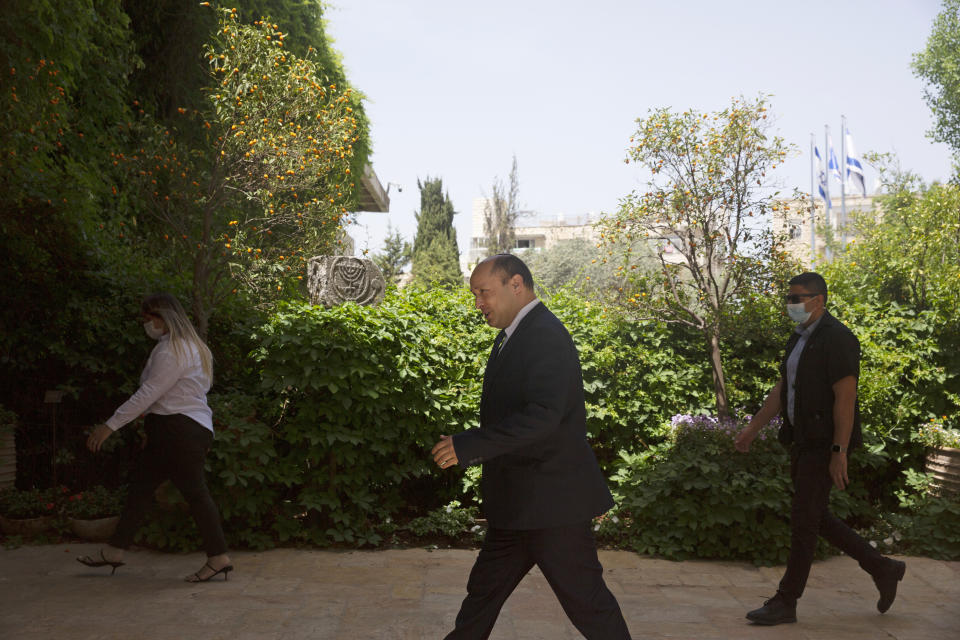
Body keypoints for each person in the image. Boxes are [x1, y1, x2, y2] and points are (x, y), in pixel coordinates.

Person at [431, 254, 631, 640]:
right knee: (481, 597)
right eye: (475, 295)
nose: (479, 304)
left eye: (484, 293)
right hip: (518, 507)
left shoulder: (544, 334)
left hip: (552, 506)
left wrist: (471, 444)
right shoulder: (514, 335)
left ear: (516, 285)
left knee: (589, 606)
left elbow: (543, 416)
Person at [734, 272, 905, 625]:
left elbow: (846, 399)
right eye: (789, 298)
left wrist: (839, 450)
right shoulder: (798, 339)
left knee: (803, 521)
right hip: (801, 441)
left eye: (798, 298)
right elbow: (782, 391)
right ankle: (883, 568)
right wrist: (752, 428)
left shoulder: (838, 338)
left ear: (819, 300)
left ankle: (786, 601)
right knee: (815, 517)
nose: (791, 304)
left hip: (824, 445)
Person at [77, 293, 233, 582]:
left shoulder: (172, 350)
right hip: (181, 430)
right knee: (141, 488)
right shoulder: (195, 348)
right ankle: (114, 551)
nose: (146, 324)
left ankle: (218, 557)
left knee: (195, 494)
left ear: (166, 318)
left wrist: (109, 426)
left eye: (150, 318)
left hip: (177, 431)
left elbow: (148, 394)